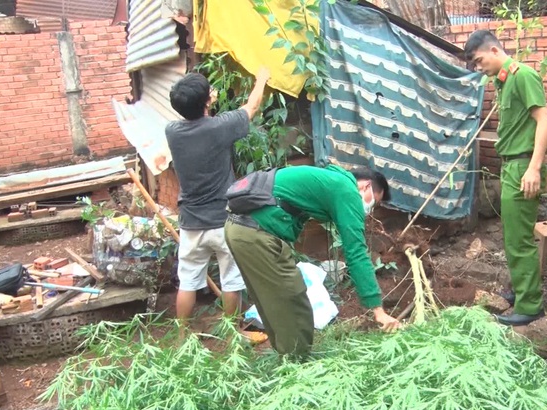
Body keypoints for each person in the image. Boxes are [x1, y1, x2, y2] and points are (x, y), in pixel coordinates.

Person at [224, 164, 401, 356]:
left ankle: (286, 356)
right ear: (365, 186)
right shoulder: (347, 190)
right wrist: (378, 310)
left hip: (240, 229)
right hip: (255, 232)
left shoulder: (331, 179)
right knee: (293, 304)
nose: (369, 210)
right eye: (373, 202)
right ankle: (297, 365)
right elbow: (356, 252)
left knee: (273, 300)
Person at [166, 67, 270, 325]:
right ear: (207, 101)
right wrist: (262, 80)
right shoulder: (219, 128)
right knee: (231, 281)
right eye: (209, 91)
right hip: (223, 220)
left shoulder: (173, 132)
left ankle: (182, 339)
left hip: (191, 223)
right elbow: (252, 107)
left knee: (188, 282)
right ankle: (232, 335)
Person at [464, 30, 547, 326]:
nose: (479, 68)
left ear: (493, 50)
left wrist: (533, 168)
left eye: (479, 61)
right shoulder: (504, 82)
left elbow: (544, 121)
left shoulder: (523, 75)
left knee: (520, 240)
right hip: (512, 165)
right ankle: (520, 290)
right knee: (512, 235)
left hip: (523, 167)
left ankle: (530, 306)